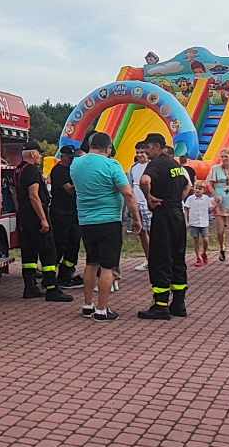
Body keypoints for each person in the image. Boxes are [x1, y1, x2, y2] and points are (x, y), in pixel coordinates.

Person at [69, 131, 137, 320]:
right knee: (107, 267)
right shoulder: (112, 165)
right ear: (108, 148)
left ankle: (88, 304)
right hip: (109, 221)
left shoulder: (76, 165)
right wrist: (136, 218)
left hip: (85, 221)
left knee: (91, 263)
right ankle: (102, 309)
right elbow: (128, 194)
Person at [136, 133, 191, 320]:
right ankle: (179, 303)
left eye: (148, 147)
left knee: (160, 258)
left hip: (163, 215)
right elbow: (187, 186)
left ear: (157, 146)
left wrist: (148, 198)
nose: (145, 151)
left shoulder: (156, 164)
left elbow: (144, 181)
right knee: (178, 257)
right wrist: (177, 200)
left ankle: (160, 305)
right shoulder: (175, 164)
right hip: (178, 214)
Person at [15, 146, 71, 303]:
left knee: (29, 254)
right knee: (48, 252)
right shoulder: (32, 170)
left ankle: (30, 287)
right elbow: (34, 195)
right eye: (39, 154)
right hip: (35, 218)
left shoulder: (18, 170)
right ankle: (52, 288)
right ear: (33, 154)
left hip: (24, 218)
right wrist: (43, 219)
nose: (40, 157)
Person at [49, 140, 84, 286]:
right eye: (70, 158)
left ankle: (66, 275)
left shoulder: (72, 169)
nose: (72, 160)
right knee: (60, 244)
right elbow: (69, 189)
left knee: (73, 243)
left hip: (72, 212)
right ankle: (50, 277)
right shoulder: (58, 171)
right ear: (63, 156)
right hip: (60, 213)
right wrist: (82, 181)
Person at [127, 141, 153, 272]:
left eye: (142, 152)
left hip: (149, 203)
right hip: (137, 203)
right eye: (137, 152)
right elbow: (131, 185)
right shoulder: (133, 167)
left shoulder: (152, 166)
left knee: (152, 231)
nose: (139, 155)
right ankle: (148, 259)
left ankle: (157, 258)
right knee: (141, 232)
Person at [186, 178, 212, 265]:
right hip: (194, 223)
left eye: (200, 189)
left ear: (204, 190)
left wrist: (216, 205)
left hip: (204, 223)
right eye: (196, 188)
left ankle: (204, 253)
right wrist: (187, 220)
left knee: (205, 239)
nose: (197, 190)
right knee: (196, 240)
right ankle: (198, 257)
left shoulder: (206, 198)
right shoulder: (190, 198)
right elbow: (186, 209)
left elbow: (210, 209)